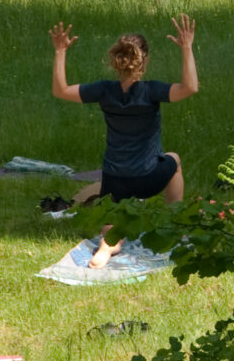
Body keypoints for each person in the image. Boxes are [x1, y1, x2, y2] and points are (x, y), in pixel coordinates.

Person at [51, 14, 197, 268]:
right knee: (174, 159)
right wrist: (186, 48)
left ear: (116, 61)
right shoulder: (151, 91)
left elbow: (60, 90)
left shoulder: (105, 90)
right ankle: (176, 224)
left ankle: (105, 250)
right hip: (148, 178)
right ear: (145, 60)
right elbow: (190, 87)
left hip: (115, 181)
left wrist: (60, 51)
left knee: (110, 237)